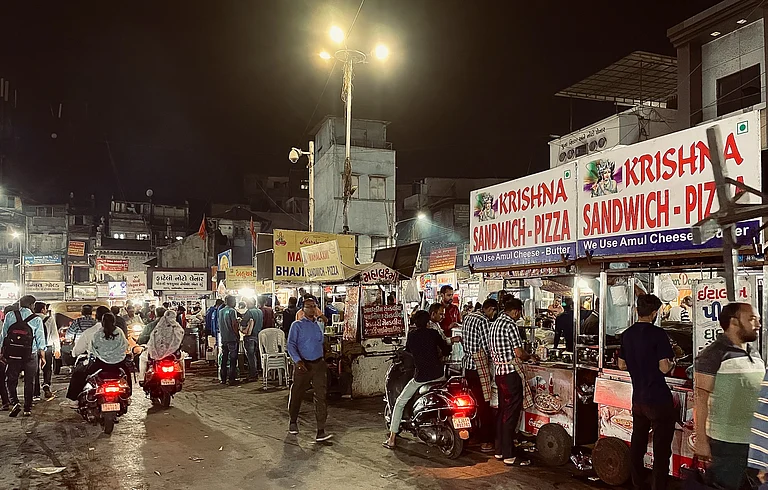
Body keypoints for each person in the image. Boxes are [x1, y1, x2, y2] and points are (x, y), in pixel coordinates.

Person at [694, 302, 764, 490]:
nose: (758, 324)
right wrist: (701, 440)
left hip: (754, 442)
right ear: (734, 322)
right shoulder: (713, 354)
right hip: (727, 444)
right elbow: (700, 399)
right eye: (752, 319)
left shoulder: (755, 353)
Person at [617, 294, 675, 490]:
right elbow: (664, 367)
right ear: (654, 313)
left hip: (638, 399)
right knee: (661, 448)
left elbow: (622, 364)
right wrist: (673, 361)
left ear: (636, 311)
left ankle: (637, 482)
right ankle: (658, 486)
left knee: (638, 441)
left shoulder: (626, 334)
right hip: (658, 399)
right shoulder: (658, 334)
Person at [383, 309, 451, 449]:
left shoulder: (412, 336)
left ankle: (392, 438)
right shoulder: (433, 333)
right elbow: (445, 350)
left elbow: (408, 352)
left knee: (400, 402)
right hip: (439, 375)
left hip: (421, 377)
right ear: (428, 322)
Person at [488, 297, 535, 466]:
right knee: (510, 415)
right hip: (510, 374)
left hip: (499, 373)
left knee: (502, 412)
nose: (519, 316)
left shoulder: (494, 324)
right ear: (515, 311)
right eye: (519, 312)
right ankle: (509, 455)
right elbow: (519, 353)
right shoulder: (510, 325)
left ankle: (499, 450)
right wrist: (529, 356)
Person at [287, 295, 333, 442]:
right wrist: (298, 361)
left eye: (314, 306)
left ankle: (321, 430)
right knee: (297, 393)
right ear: (303, 309)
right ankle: (293, 421)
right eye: (309, 306)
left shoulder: (317, 325)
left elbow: (320, 342)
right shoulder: (297, 325)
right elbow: (291, 345)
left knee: (321, 396)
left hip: (318, 364)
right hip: (303, 365)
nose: (313, 309)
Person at [64, 311, 130, 408]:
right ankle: (128, 397)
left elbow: (92, 350)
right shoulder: (119, 332)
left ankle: (74, 400)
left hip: (100, 364)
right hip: (118, 364)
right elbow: (125, 345)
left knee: (79, 374)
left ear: (101, 322)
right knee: (127, 375)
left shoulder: (97, 334)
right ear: (114, 321)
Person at [460, 298, 499, 453]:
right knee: (484, 403)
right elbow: (487, 346)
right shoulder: (483, 321)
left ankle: (473, 435)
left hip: (468, 366)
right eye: (494, 312)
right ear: (490, 309)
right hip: (479, 367)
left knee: (473, 403)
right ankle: (486, 441)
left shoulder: (468, 316)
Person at [0, 295, 46, 417]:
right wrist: (42, 356)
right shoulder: (36, 319)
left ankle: (14, 402)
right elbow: (40, 339)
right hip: (30, 354)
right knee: (29, 381)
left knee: (10, 379)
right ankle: (27, 408)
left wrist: (1, 352)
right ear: (32, 305)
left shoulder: (10, 315)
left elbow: (3, 335)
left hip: (13, 354)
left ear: (20, 305)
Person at [139, 310, 184, 382]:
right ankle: (182, 376)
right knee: (182, 358)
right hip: (173, 354)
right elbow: (180, 338)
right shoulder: (177, 327)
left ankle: (141, 378)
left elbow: (147, 338)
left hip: (156, 353)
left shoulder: (153, 326)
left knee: (142, 358)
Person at [33, 302, 60, 402]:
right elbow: (54, 335)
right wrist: (57, 349)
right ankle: (46, 385)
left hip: (34, 347)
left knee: (34, 370)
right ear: (43, 310)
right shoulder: (49, 319)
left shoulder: (31, 319)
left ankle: (36, 393)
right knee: (47, 368)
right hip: (47, 347)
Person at [218, 295, 240, 385]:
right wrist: (237, 335)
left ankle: (223, 378)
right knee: (233, 359)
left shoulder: (221, 311)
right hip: (232, 338)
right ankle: (231, 379)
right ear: (231, 302)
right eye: (234, 301)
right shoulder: (232, 311)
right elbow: (234, 324)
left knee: (224, 358)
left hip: (224, 338)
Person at [240, 298, 263, 381]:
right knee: (255, 355)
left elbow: (243, 323)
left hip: (250, 337)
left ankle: (253, 374)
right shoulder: (259, 312)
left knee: (250, 356)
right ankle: (255, 372)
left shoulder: (249, 312)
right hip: (258, 336)